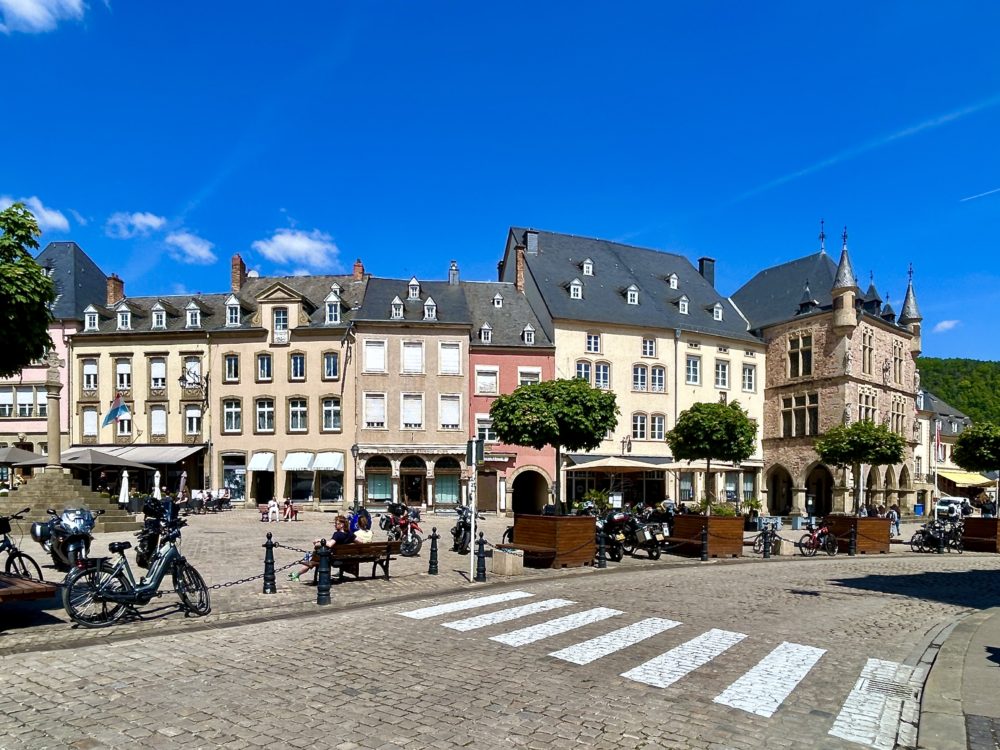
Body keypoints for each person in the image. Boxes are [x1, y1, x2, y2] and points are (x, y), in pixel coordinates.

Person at [289, 515, 355, 581]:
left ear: (342, 525)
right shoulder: (350, 534)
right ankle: (297, 574)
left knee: (312, 559)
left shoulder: (337, 534)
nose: (334, 525)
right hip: (343, 557)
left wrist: (320, 540)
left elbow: (330, 544)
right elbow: (361, 541)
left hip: (332, 557)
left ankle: (297, 575)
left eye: (336, 523)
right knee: (313, 557)